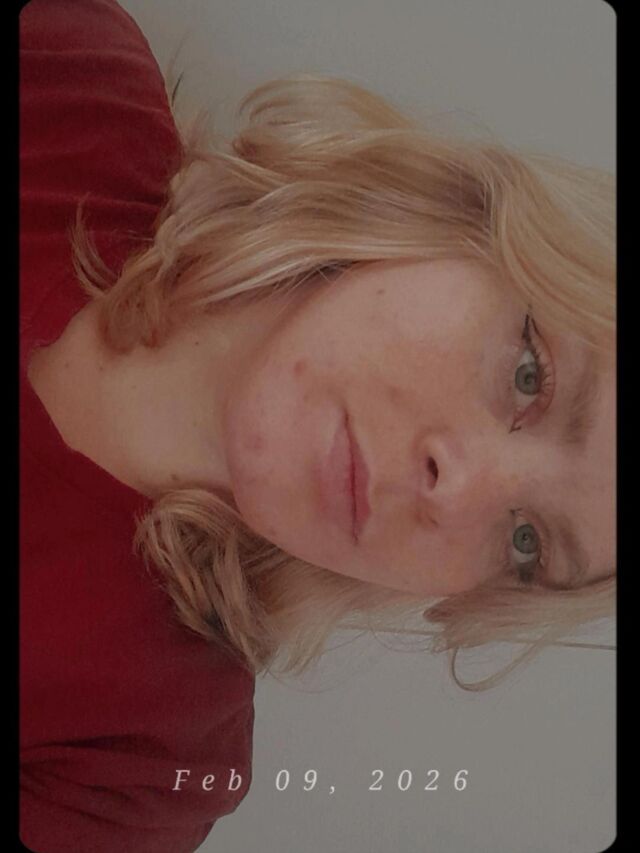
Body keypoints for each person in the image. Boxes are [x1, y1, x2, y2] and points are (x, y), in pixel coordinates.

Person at [20, 0, 616, 850]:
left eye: (526, 543)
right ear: (460, 220)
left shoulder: (139, 766)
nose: (459, 490)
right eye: (530, 374)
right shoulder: (72, 69)